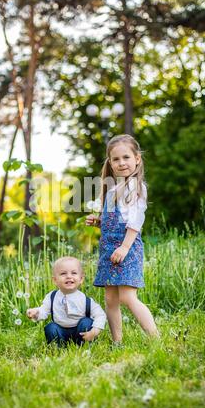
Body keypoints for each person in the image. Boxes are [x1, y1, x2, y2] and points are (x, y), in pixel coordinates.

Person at [86, 134, 159, 344]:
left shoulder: (136, 187)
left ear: (137, 159)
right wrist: (99, 222)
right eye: (116, 159)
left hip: (126, 248)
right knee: (110, 299)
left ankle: (155, 339)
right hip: (109, 249)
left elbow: (135, 222)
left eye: (126, 157)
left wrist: (125, 247)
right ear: (110, 162)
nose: (121, 163)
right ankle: (117, 341)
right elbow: (116, 220)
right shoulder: (112, 189)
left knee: (127, 297)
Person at [26, 256, 106, 347]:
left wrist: (95, 330)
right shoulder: (52, 297)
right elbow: (43, 311)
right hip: (61, 331)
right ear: (55, 280)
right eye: (63, 273)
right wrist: (36, 312)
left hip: (80, 332)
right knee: (51, 327)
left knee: (86, 322)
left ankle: (84, 345)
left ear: (81, 279)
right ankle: (57, 347)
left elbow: (100, 314)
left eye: (74, 273)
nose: (69, 276)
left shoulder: (85, 300)